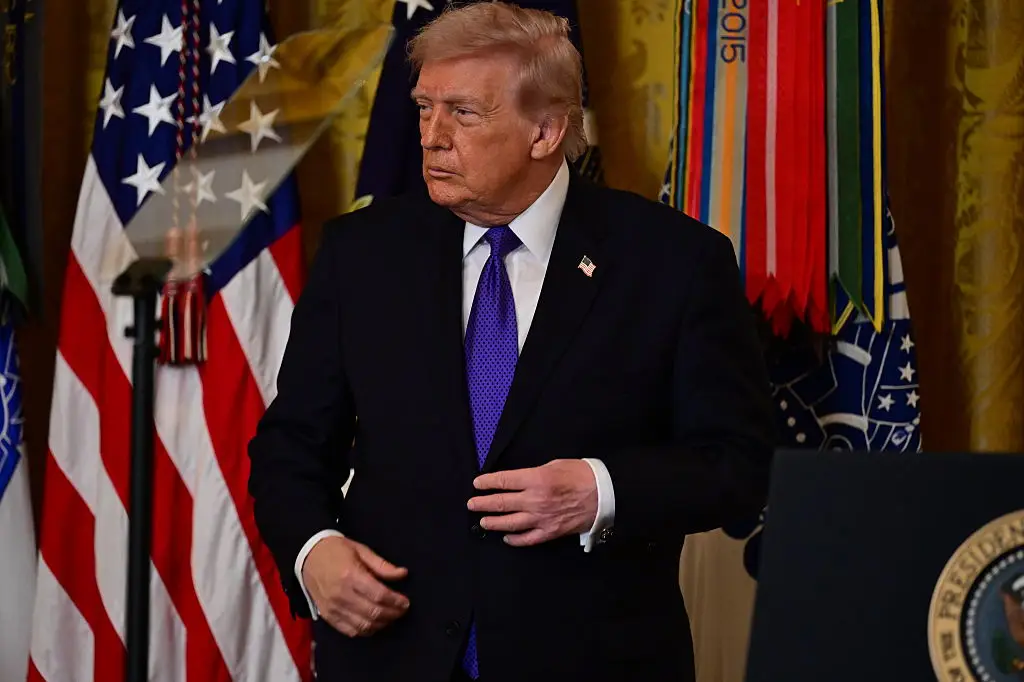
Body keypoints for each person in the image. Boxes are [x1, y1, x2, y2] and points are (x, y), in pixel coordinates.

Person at [247, 3, 774, 681]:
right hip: (393, 655)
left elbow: (741, 465)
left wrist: (601, 490)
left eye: (463, 113)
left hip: (591, 661)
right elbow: (289, 445)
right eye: (424, 107)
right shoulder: (363, 254)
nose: (431, 137)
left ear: (546, 130)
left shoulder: (673, 262)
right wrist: (313, 550)